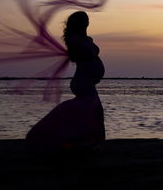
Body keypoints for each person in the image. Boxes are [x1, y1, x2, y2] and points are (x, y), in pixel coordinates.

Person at [26, 11, 105, 150]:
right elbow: (76, 56)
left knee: (92, 109)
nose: (88, 21)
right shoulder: (74, 39)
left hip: (86, 81)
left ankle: (86, 141)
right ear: (80, 23)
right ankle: (82, 140)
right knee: (93, 109)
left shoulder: (85, 38)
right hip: (82, 81)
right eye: (85, 19)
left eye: (87, 19)